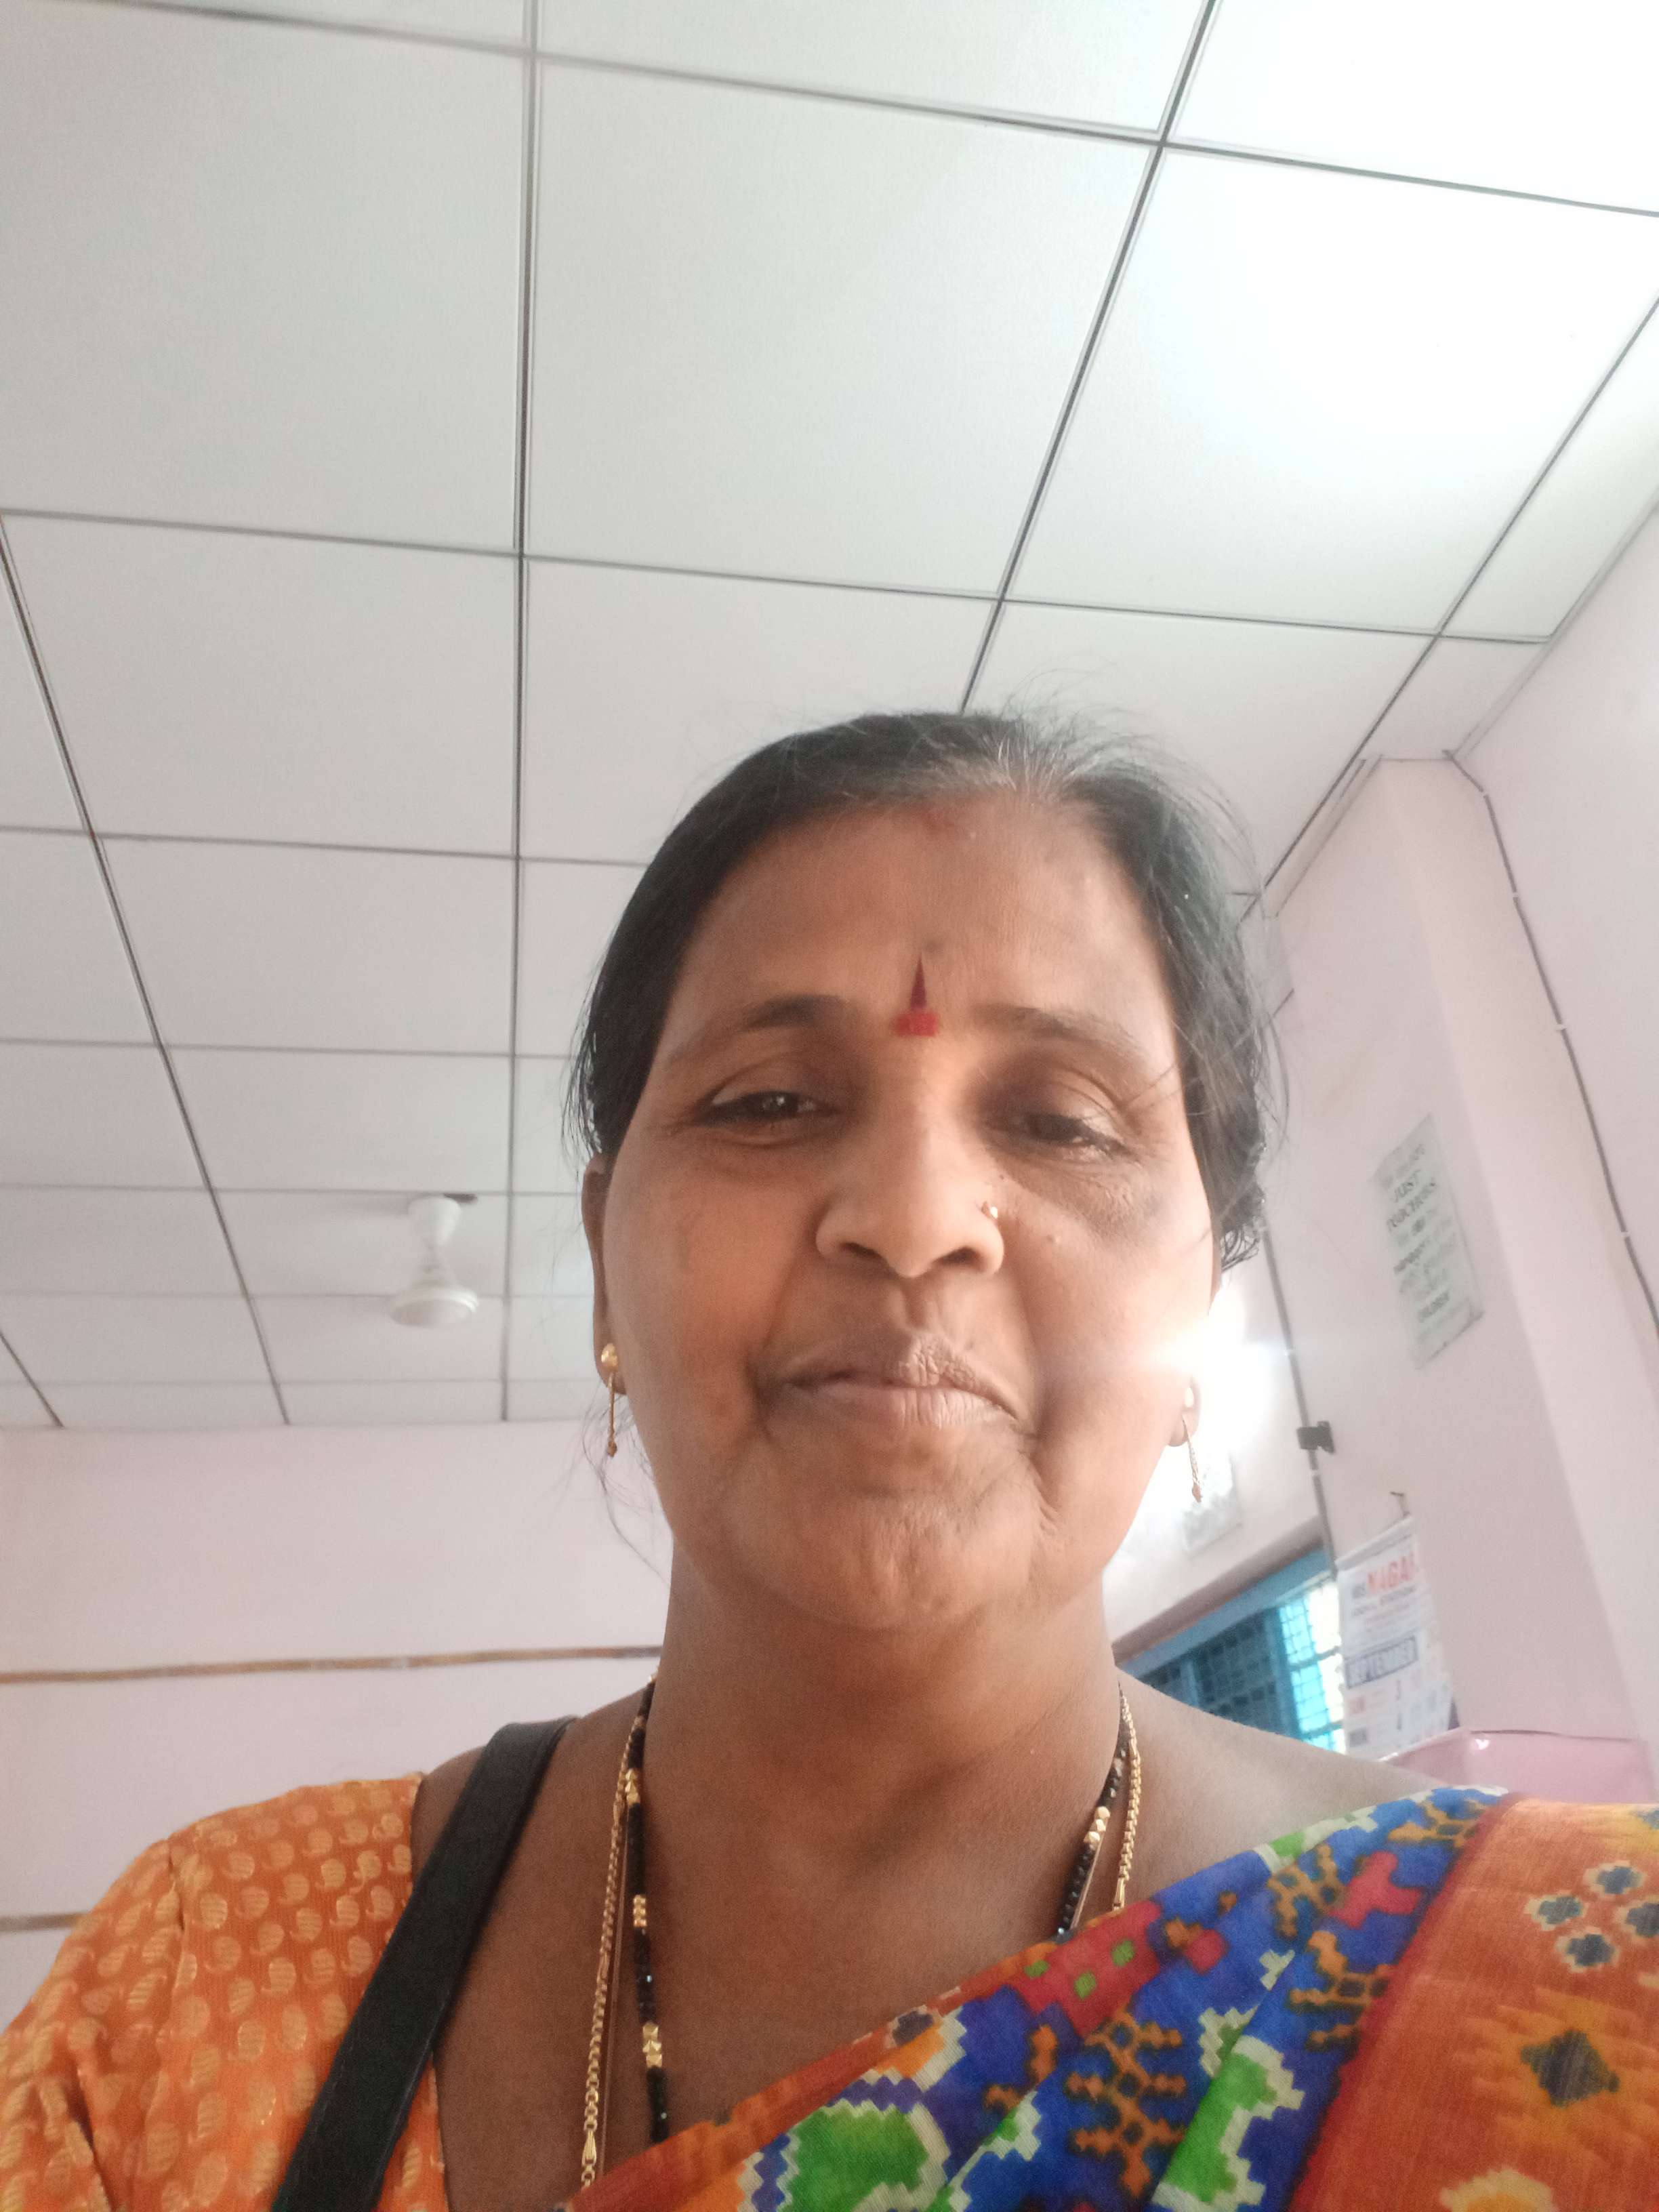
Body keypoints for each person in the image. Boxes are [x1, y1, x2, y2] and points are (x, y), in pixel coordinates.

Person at [5, 713, 1657, 2212]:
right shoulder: (196, 1990)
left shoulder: (1583, 1985)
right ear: (607, 1267)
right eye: (772, 1102)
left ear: (1201, 1302)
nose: (916, 1217)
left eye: (1061, 1121)